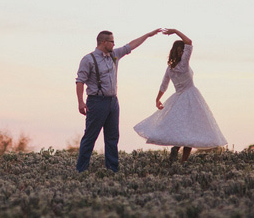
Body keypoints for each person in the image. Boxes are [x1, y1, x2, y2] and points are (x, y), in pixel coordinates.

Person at [75, 28, 162, 172]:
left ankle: (112, 169)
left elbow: (131, 45)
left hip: (113, 102)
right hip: (96, 102)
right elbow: (80, 81)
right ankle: (81, 170)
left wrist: (147, 35)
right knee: (90, 137)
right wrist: (80, 102)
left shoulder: (114, 55)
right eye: (112, 42)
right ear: (103, 42)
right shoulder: (88, 59)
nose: (114, 45)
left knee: (112, 137)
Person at [133, 29, 227, 162]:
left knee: (183, 129)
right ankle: (183, 161)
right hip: (191, 97)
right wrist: (175, 31)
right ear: (182, 51)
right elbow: (189, 42)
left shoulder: (170, 68)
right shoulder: (184, 64)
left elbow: (163, 85)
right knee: (191, 130)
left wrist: (158, 99)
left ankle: (176, 149)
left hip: (178, 98)